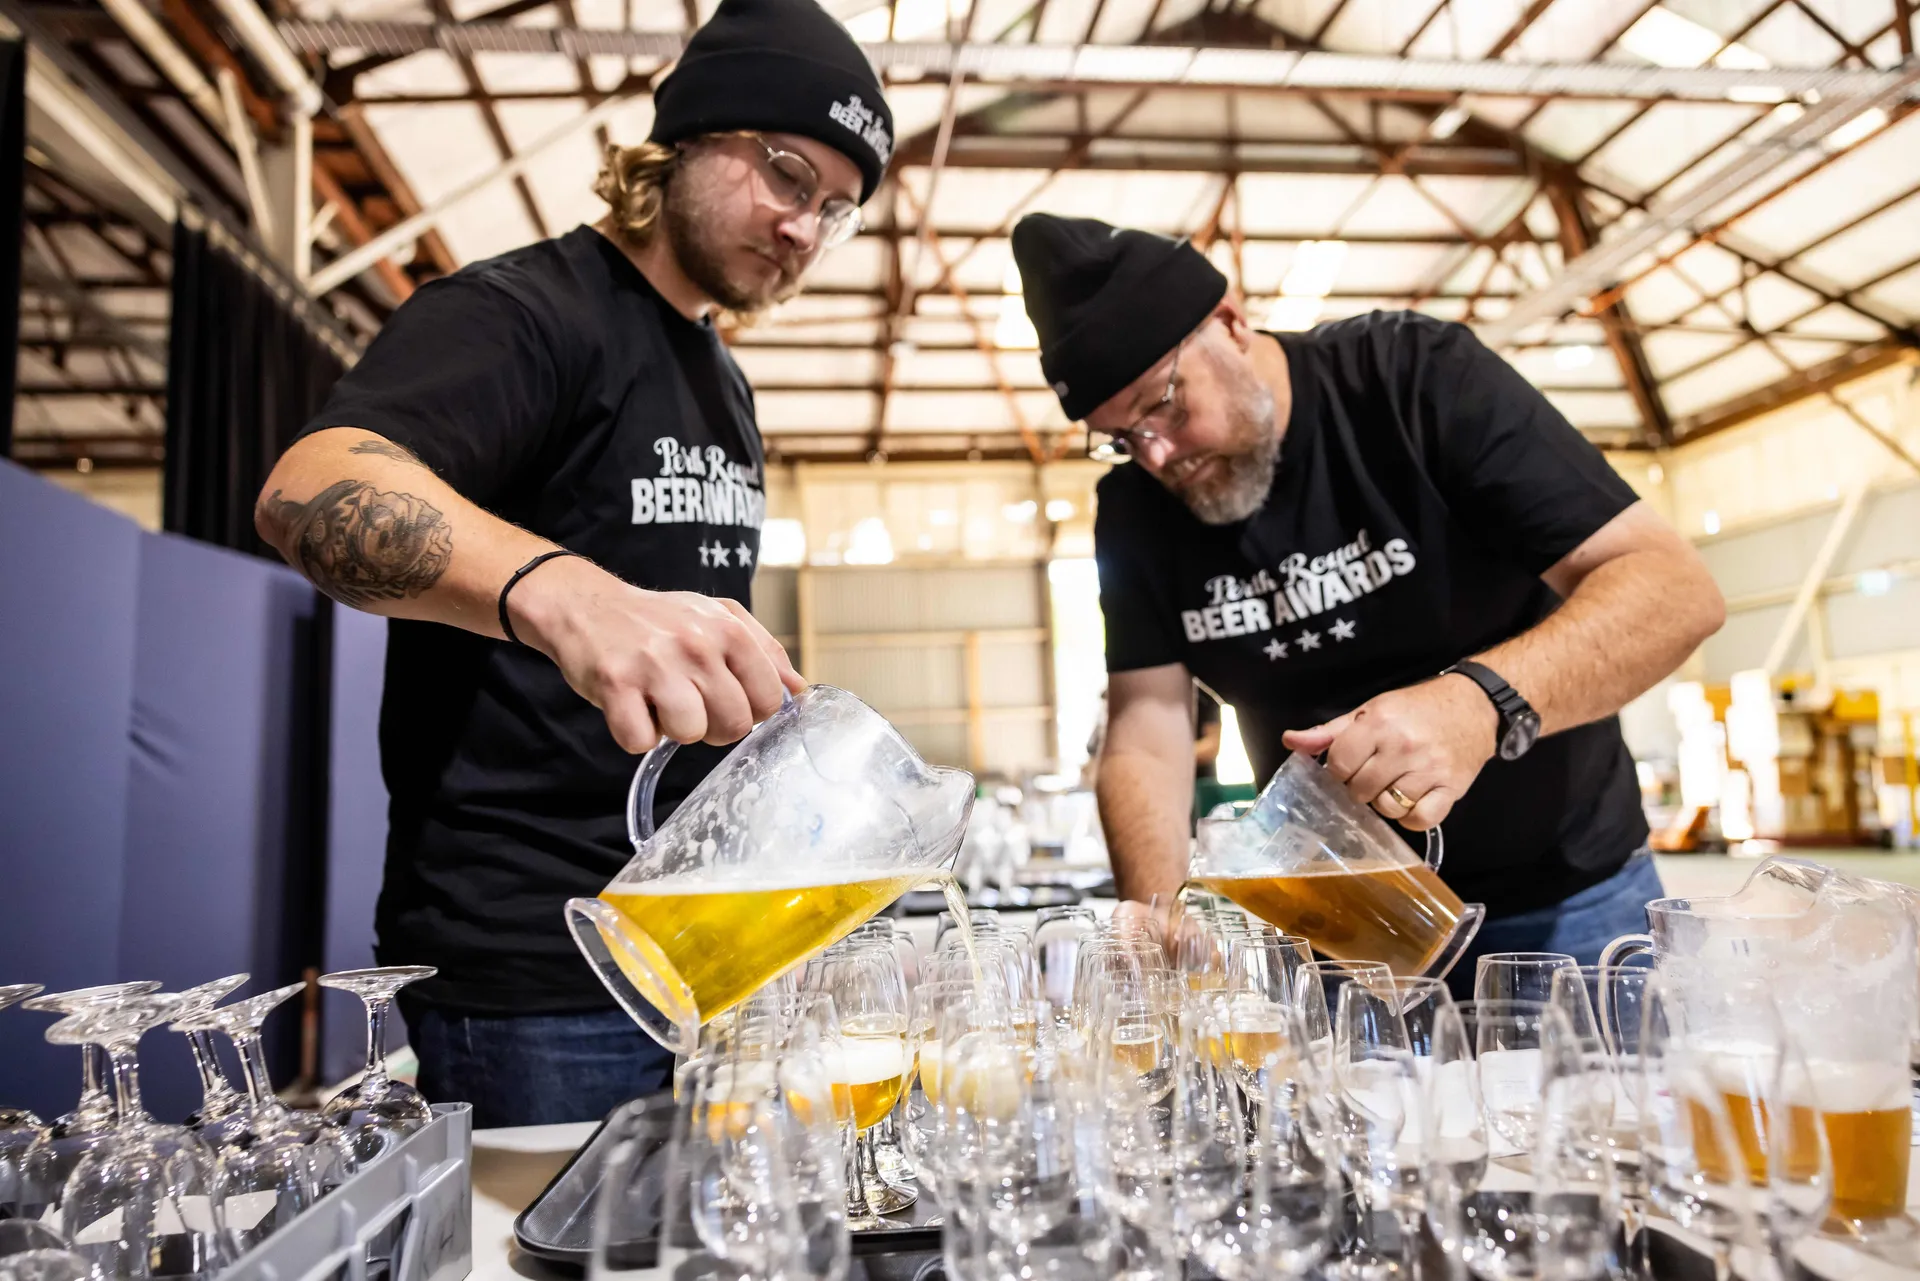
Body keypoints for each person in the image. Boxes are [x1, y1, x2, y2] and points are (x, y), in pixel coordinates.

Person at [252, 0, 893, 1124]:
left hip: (695, 941)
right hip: (536, 971)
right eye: (787, 174)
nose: (804, 228)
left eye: (836, 211)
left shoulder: (719, 379)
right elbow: (309, 486)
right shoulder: (524, 314)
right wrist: (564, 594)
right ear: (685, 139)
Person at [1009, 214, 1726, 994]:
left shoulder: (1413, 379)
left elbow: (1672, 587)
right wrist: (1160, 909)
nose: (1158, 455)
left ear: (1230, 321)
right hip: (1332, 931)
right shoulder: (1136, 509)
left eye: (1166, 406)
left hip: (1566, 911)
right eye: (1120, 438)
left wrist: (1479, 704)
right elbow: (1148, 723)